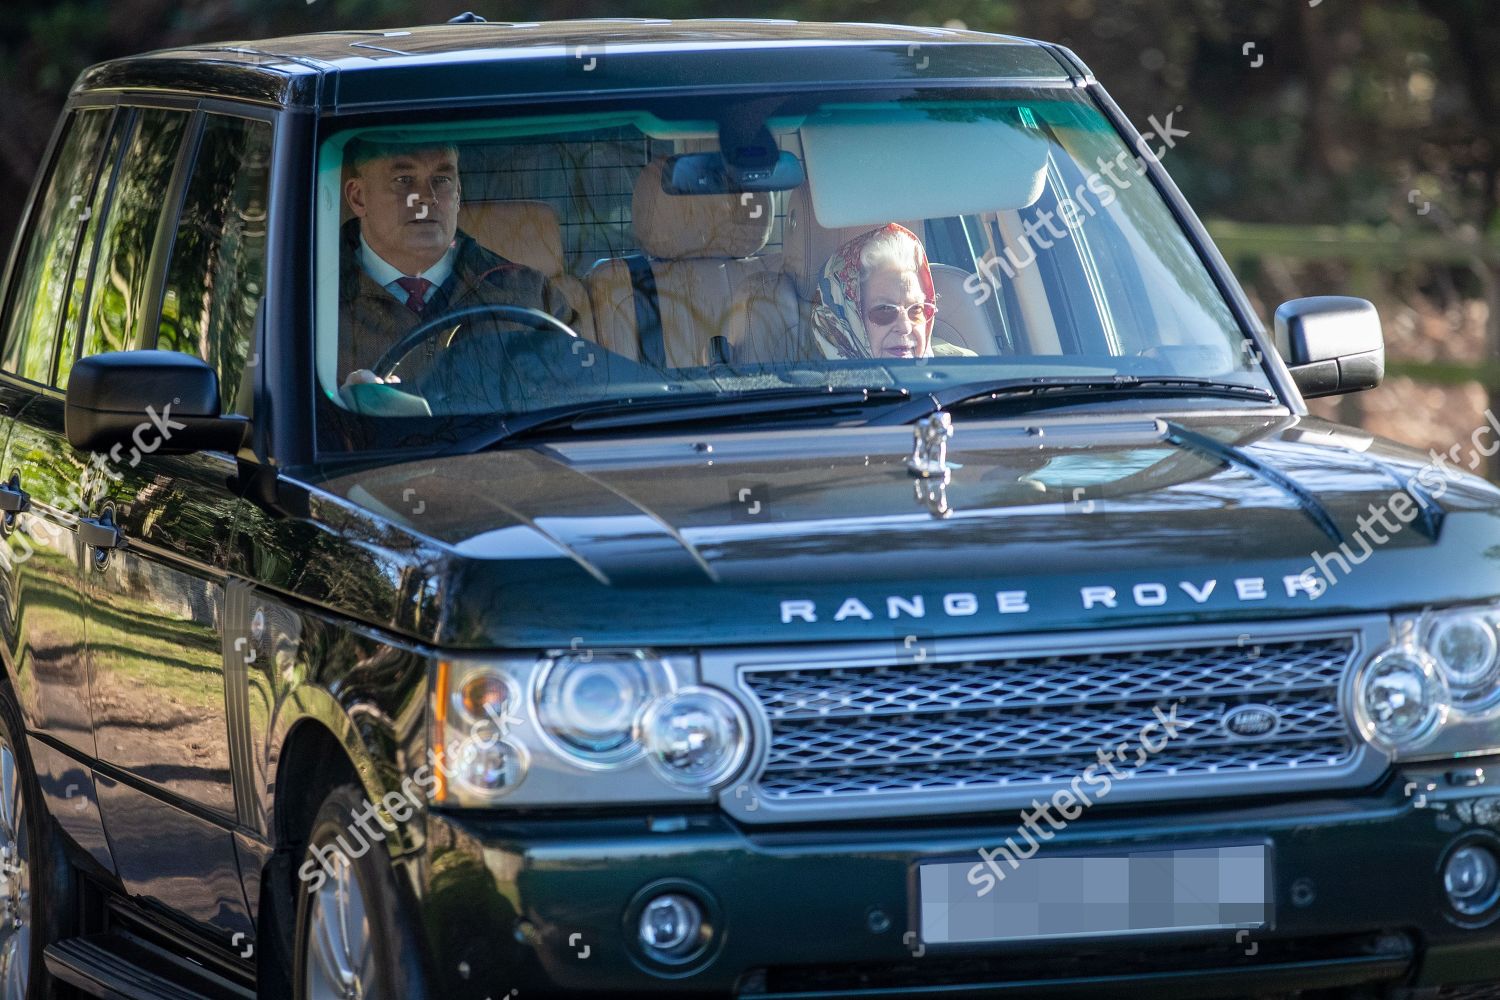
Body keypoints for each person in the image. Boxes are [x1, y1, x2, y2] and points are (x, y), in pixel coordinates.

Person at [337, 138, 576, 390]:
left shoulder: (531, 296)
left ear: (458, 194)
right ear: (359, 197)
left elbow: (577, 398)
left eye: (442, 180)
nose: (427, 198)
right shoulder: (311, 303)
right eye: (404, 180)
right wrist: (349, 415)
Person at [809, 223, 972, 360]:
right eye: (885, 310)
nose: (905, 327)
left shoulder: (967, 375)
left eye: (917, 310)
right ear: (846, 318)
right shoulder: (806, 392)